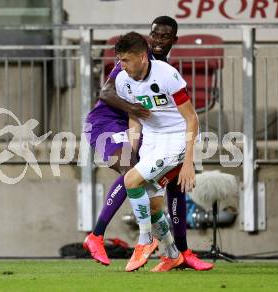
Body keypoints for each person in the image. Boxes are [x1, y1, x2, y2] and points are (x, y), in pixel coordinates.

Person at [83, 16, 213, 271]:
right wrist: (134, 110)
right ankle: (98, 234)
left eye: (165, 37)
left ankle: (178, 252)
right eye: (155, 35)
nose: (158, 41)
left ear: (174, 40)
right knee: (131, 171)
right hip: (107, 124)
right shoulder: (132, 61)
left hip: (145, 128)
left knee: (169, 188)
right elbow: (106, 93)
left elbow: (182, 115)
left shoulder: (162, 70)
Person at [114, 31, 197, 272]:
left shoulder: (167, 75)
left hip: (177, 138)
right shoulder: (122, 80)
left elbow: (191, 119)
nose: (122, 65)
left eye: (126, 60)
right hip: (152, 139)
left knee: (131, 181)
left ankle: (145, 240)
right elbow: (135, 118)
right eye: (120, 60)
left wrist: (189, 161)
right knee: (152, 208)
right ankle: (172, 255)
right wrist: (131, 151)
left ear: (142, 57)